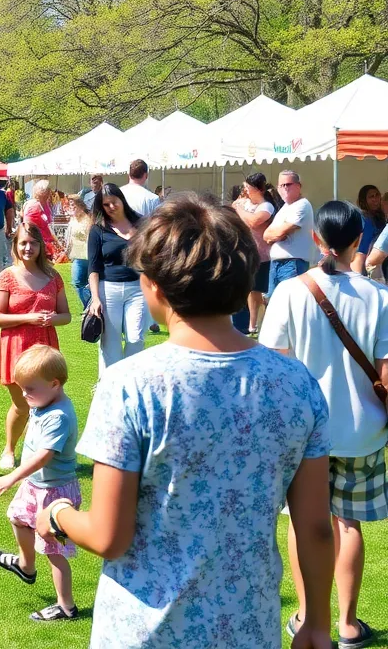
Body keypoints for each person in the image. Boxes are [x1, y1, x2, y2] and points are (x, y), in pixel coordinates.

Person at [34, 193, 335, 649]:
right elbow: (314, 526)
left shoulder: (129, 384)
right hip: (247, 627)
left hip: (143, 630)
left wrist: (56, 514)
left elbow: (108, 536)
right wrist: (316, 622)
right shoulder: (297, 383)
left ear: (153, 284)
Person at [260, 200, 388, 648]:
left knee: (304, 523)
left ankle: (306, 614)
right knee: (349, 525)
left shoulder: (290, 292)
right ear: (359, 240)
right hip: (362, 431)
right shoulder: (378, 296)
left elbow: (275, 367)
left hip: (303, 433)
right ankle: (349, 625)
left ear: (316, 239)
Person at [0, 346, 81, 622]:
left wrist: (12, 476)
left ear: (54, 384)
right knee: (17, 518)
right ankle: (26, 566)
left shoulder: (58, 416)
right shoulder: (43, 402)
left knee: (53, 551)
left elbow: (44, 456)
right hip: (35, 486)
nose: (24, 396)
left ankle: (66, 606)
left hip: (55, 493)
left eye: (29, 389)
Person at [0, 223, 70, 472]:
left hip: (45, 346)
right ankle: (9, 449)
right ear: (15, 245)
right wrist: (29, 318)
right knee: (23, 404)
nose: (28, 247)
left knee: (46, 403)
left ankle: (38, 452)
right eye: (23, 242)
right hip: (16, 346)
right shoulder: (6, 276)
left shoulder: (53, 276)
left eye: (33, 243)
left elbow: (66, 315)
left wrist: (50, 319)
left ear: (40, 246)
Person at [87, 184, 147, 375]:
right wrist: (95, 299)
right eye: (106, 205)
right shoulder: (98, 230)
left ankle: (131, 381)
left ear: (122, 199)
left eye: (114, 202)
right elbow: (93, 267)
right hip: (108, 289)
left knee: (136, 337)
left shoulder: (142, 224)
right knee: (110, 344)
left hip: (138, 288)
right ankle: (107, 386)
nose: (111, 207)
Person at [231, 172, 281, 334]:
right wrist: (239, 207)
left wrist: (240, 209)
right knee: (247, 290)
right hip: (245, 255)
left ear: (258, 189)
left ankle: (257, 324)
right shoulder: (244, 203)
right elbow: (234, 211)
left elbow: (253, 222)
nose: (245, 190)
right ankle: (247, 325)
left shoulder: (267, 206)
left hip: (263, 257)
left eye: (248, 187)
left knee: (259, 291)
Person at [265, 169, 315, 298]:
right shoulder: (285, 208)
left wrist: (277, 234)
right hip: (276, 264)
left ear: (298, 186)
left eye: (288, 184)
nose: (285, 188)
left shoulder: (302, 205)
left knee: (289, 302)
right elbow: (266, 235)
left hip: (293, 264)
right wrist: (277, 235)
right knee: (274, 304)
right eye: (282, 185)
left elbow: (280, 232)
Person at [64, 193, 91, 308]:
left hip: (86, 256)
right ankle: (89, 306)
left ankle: (90, 305)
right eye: (70, 206)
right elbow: (70, 236)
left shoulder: (87, 219)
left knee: (78, 282)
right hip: (76, 255)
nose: (72, 209)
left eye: (74, 206)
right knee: (80, 284)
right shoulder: (73, 219)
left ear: (81, 206)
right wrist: (66, 250)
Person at [21, 180, 61, 258]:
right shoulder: (33, 206)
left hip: (47, 244)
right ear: (41, 192)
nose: (50, 192)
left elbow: (48, 224)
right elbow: (28, 227)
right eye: (48, 189)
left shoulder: (46, 204)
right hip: (38, 244)